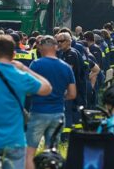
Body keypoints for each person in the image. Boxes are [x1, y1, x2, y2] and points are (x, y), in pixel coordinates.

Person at [0, 36, 52, 169]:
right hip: (14, 141)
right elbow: (47, 88)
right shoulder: (20, 76)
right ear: (13, 54)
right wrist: (25, 68)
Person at [26, 36, 76, 169]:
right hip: (58, 113)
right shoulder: (66, 67)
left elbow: (29, 90)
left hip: (38, 111)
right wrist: (59, 96)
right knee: (52, 152)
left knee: (29, 153)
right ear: (56, 47)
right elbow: (72, 94)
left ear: (41, 48)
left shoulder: (36, 65)